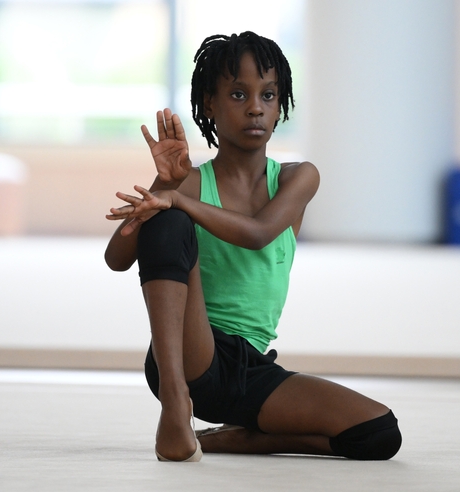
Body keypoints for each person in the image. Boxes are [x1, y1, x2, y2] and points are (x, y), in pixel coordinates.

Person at [104, 31, 401, 462]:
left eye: (268, 94)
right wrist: (166, 185)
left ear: (281, 104)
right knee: (167, 220)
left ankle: (236, 437)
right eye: (239, 94)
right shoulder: (188, 184)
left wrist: (178, 198)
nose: (255, 107)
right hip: (192, 356)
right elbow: (117, 258)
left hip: (249, 369)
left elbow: (260, 232)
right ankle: (175, 403)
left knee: (379, 433)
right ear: (210, 103)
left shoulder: (298, 178)